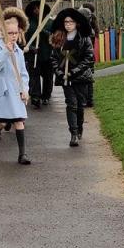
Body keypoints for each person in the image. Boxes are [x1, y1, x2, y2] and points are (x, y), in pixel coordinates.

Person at [0, 12, 31, 164]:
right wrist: (5, 51)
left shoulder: (19, 52)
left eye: (16, 33)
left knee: (19, 121)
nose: (13, 36)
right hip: (2, 91)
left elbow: (23, 73)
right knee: (2, 123)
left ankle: (22, 155)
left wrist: (25, 89)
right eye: (10, 33)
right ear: (3, 33)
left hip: (16, 91)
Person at [50, 8, 94, 147]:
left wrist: (74, 71)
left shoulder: (84, 38)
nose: (68, 24)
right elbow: (54, 58)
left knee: (80, 105)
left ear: (76, 23)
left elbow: (89, 57)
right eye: (66, 22)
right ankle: (73, 133)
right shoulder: (59, 38)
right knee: (71, 104)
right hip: (65, 78)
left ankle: (79, 127)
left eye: (71, 22)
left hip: (80, 77)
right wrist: (59, 72)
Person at [24, 0, 54, 108]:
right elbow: (24, 39)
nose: (36, 10)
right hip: (33, 55)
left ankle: (46, 95)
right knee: (34, 76)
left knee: (48, 76)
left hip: (47, 54)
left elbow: (54, 37)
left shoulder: (50, 22)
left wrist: (42, 31)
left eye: (38, 8)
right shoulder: (28, 23)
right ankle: (35, 96)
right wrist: (31, 48)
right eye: (34, 8)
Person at [81, 2, 100, 107]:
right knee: (88, 78)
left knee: (85, 79)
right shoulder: (91, 27)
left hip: (85, 56)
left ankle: (86, 99)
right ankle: (89, 100)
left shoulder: (86, 30)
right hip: (89, 56)